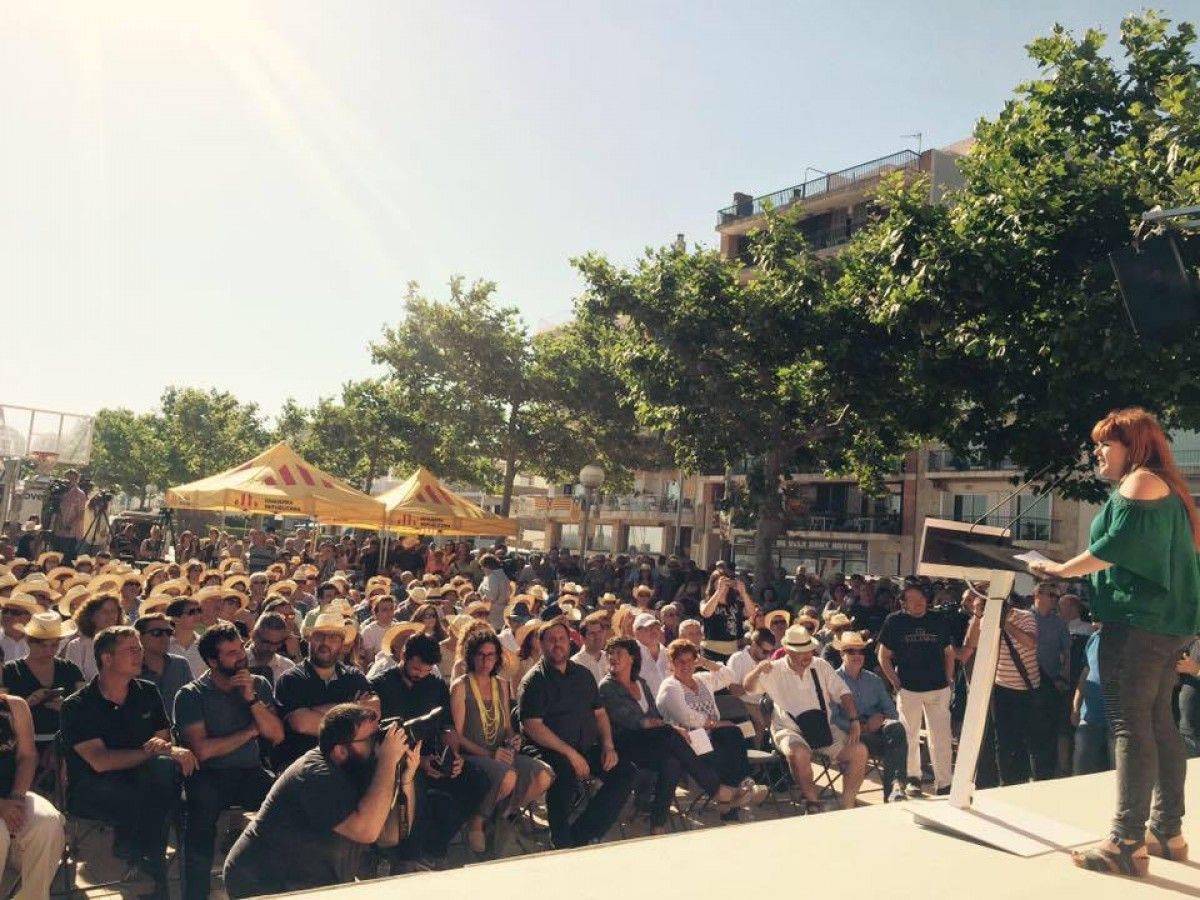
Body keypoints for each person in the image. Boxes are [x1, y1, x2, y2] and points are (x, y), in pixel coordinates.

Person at [1029, 408, 1200, 875]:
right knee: (1159, 724)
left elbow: (1113, 548)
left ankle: (1126, 841)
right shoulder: (1171, 489)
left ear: (1134, 445)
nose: (1097, 452)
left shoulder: (1140, 482)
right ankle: (1167, 833)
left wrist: (1060, 569)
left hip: (1136, 622)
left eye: (1106, 443)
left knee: (1129, 726)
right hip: (1168, 624)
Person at [223, 704, 419, 897]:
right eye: (371, 739)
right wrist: (387, 761)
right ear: (340, 750)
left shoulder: (360, 767)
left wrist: (405, 779)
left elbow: (389, 836)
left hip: (309, 882)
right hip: (265, 882)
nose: (380, 744)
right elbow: (366, 831)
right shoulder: (315, 774)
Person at [59, 626, 198, 888]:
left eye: (140, 650)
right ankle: (151, 864)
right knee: (160, 789)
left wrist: (162, 749)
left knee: (163, 775)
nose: (140, 655)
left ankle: (146, 860)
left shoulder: (147, 692)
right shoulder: (78, 705)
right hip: (95, 790)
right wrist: (153, 752)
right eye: (132, 650)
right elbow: (101, 762)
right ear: (107, 658)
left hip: (144, 783)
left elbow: (162, 739)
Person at [599, 637, 762, 833]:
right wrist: (663, 726)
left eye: (618, 653)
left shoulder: (641, 683)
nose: (612, 658)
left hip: (658, 740)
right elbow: (629, 719)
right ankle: (719, 791)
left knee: (675, 760)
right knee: (675, 737)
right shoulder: (608, 686)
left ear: (632, 658)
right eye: (610, 654)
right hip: (627, 743)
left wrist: (703, 662)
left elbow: (653, 715)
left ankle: (657, 825)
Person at [175, 623, 284, 900]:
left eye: (240, 649)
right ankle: (196, 895)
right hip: (208, 774)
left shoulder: (257, 684)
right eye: (232, 653)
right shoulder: (190, 695)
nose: (241, 656)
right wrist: (249, 731)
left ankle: (275, 887)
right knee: (199, 818)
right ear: (213, 661)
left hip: (250, 771)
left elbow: (276, 734)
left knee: (286, 802)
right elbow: (202, 751)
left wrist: (251, 701)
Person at [517, 618, 636, 849]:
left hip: (584, 747)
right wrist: (570, 754)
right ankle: (560, 841)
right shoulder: (533, 681)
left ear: (569, 642)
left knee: (624, 772)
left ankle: (582, 834)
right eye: (551, 640)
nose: (557, 644)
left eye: (561, 639)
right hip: (547, 749)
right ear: (540, 645)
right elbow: (533, 725)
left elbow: (599, 713)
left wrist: (608, 746)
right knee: (563, 770)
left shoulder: (582, 675)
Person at [370, 634, 488, 863]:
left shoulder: (434, 685)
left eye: (426, 670)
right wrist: (417, 762)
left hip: (432, 757)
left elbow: (447, 728)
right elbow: (378, 737)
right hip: (397, 762)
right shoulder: (380, 686)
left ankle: (434, 848)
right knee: (415, 791)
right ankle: (409, 859)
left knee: (478, 781)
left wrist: (453, 757)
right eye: (416, 668)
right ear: (403, 656)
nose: (419, 674)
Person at [744, 625, 868, 812]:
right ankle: (812, 803)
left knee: (859, 751)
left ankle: (847, 804)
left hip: (821, 728)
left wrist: (854, 721)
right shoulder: (774, 669)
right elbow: (748, 687)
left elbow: (844, 693)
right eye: (800, 652)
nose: (806, 655)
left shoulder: (820, 665)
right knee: (799, 753)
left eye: (808, 650)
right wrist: (757, 671)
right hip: (788, 728)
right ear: (787, 651)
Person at [451, 629, 553, 851]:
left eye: (491, 655)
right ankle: (477, 822)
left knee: (544, 774)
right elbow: (456, 736)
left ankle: (501, 817)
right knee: (507, 776)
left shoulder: (502, 684)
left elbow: (506, 725)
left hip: (501, 752)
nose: (486, 660)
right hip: (474, 756)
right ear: (471, 656)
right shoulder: (461, 686)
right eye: (481, 655)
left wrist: (512, 739)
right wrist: (489, 754)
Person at [877, 584, 954, 797]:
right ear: (903, 603)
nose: (919, 602)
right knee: (909, 735)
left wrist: (949, 678)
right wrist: (894, 680)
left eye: (921, 597)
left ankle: (944, 782)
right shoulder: (894, 621)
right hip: (909, 688)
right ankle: (913, 778)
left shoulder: (938, 619)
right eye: (913, 599)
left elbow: (949, 652)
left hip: (938, 687)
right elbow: (883, 655)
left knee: (941, 737)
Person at [273, 613, 377, 770]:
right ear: (308, 640)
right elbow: (302, 724)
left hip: (349, 766)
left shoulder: (355, 677)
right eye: (319, 636)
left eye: (333, 638)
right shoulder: (291, 679)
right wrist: (353, 708)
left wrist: (317, 709)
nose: (325, 643)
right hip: (303, 766)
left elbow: (373, 716)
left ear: (342, 644)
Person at [656, 639, 757, 800]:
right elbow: (687, 717)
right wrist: (716, 724)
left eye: (690, 660)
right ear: (672, 663)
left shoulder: (702, 679)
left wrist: (704, 662)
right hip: (688, 739)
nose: (686, 665)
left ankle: (738, 789)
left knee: (730, 733)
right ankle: (736, 793)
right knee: (727, 740)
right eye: (680, 662)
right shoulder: (669, 686)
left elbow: (729, 675)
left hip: (713, 735)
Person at [0, 684, 65, 899]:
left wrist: (16, 798)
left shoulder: (15, 706)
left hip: (13, 795)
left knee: (48, 822)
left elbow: (27, 757)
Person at [832, 631, 907, 802]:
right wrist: (862, 727)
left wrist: (879, 718)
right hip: (849, 736)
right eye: (851, 651)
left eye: (861, 651)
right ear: (842, 654)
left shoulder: (874, 680)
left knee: (896, 729)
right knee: (895, 744)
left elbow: (891, 711)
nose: (857, 655)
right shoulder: (833, 680)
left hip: (875, 732)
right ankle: (894, 790)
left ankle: (895, 789)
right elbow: (833, 718)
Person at [2, 611, 84, 750]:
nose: (49, 651)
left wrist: (66, 706)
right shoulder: (10, 671)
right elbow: (2, 715)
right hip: (20, 745)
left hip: (63, 743)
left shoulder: (69, 669)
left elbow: (86, 708)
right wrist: (27, 703)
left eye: (54, 645)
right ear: (29, 641)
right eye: (43, 645)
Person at [134, 612, 194, 723]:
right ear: (139, 638)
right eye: (157, 633)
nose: (165, 637)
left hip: (182, 733)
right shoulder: (131, 670)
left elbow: (193, 701)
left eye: (168, 632)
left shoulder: (180, 664)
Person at [1072, 627, 1113, 775]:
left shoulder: (1127, 638)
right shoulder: (1093, 638)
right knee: (1082, 768)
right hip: (1089, 715)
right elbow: (1085, 673)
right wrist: (1076, 706)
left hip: (1117, 717)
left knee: (1117, 771)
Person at [247, 612, 298, 686]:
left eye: (277, 643)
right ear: (254, 636)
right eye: (267, 643)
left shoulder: (287, 667)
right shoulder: (236, 661)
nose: (272, 649)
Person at [53, 469, 87, 564]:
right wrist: (60, 523)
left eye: (72, 478)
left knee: (68, 560)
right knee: (57, 557)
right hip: (59, 531)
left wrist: (70, 525)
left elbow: (81, 513)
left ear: (77, 480)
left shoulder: (80, 494)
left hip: (72, 533)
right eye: (67, 478)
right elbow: (57, 510)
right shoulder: (61, 492)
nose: (69, 480)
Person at [570, 612, 610, 684]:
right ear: (582, 638)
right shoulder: (575, 663)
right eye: (592, 633)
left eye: (599, 632)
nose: (597, 636)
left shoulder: (609, 658)